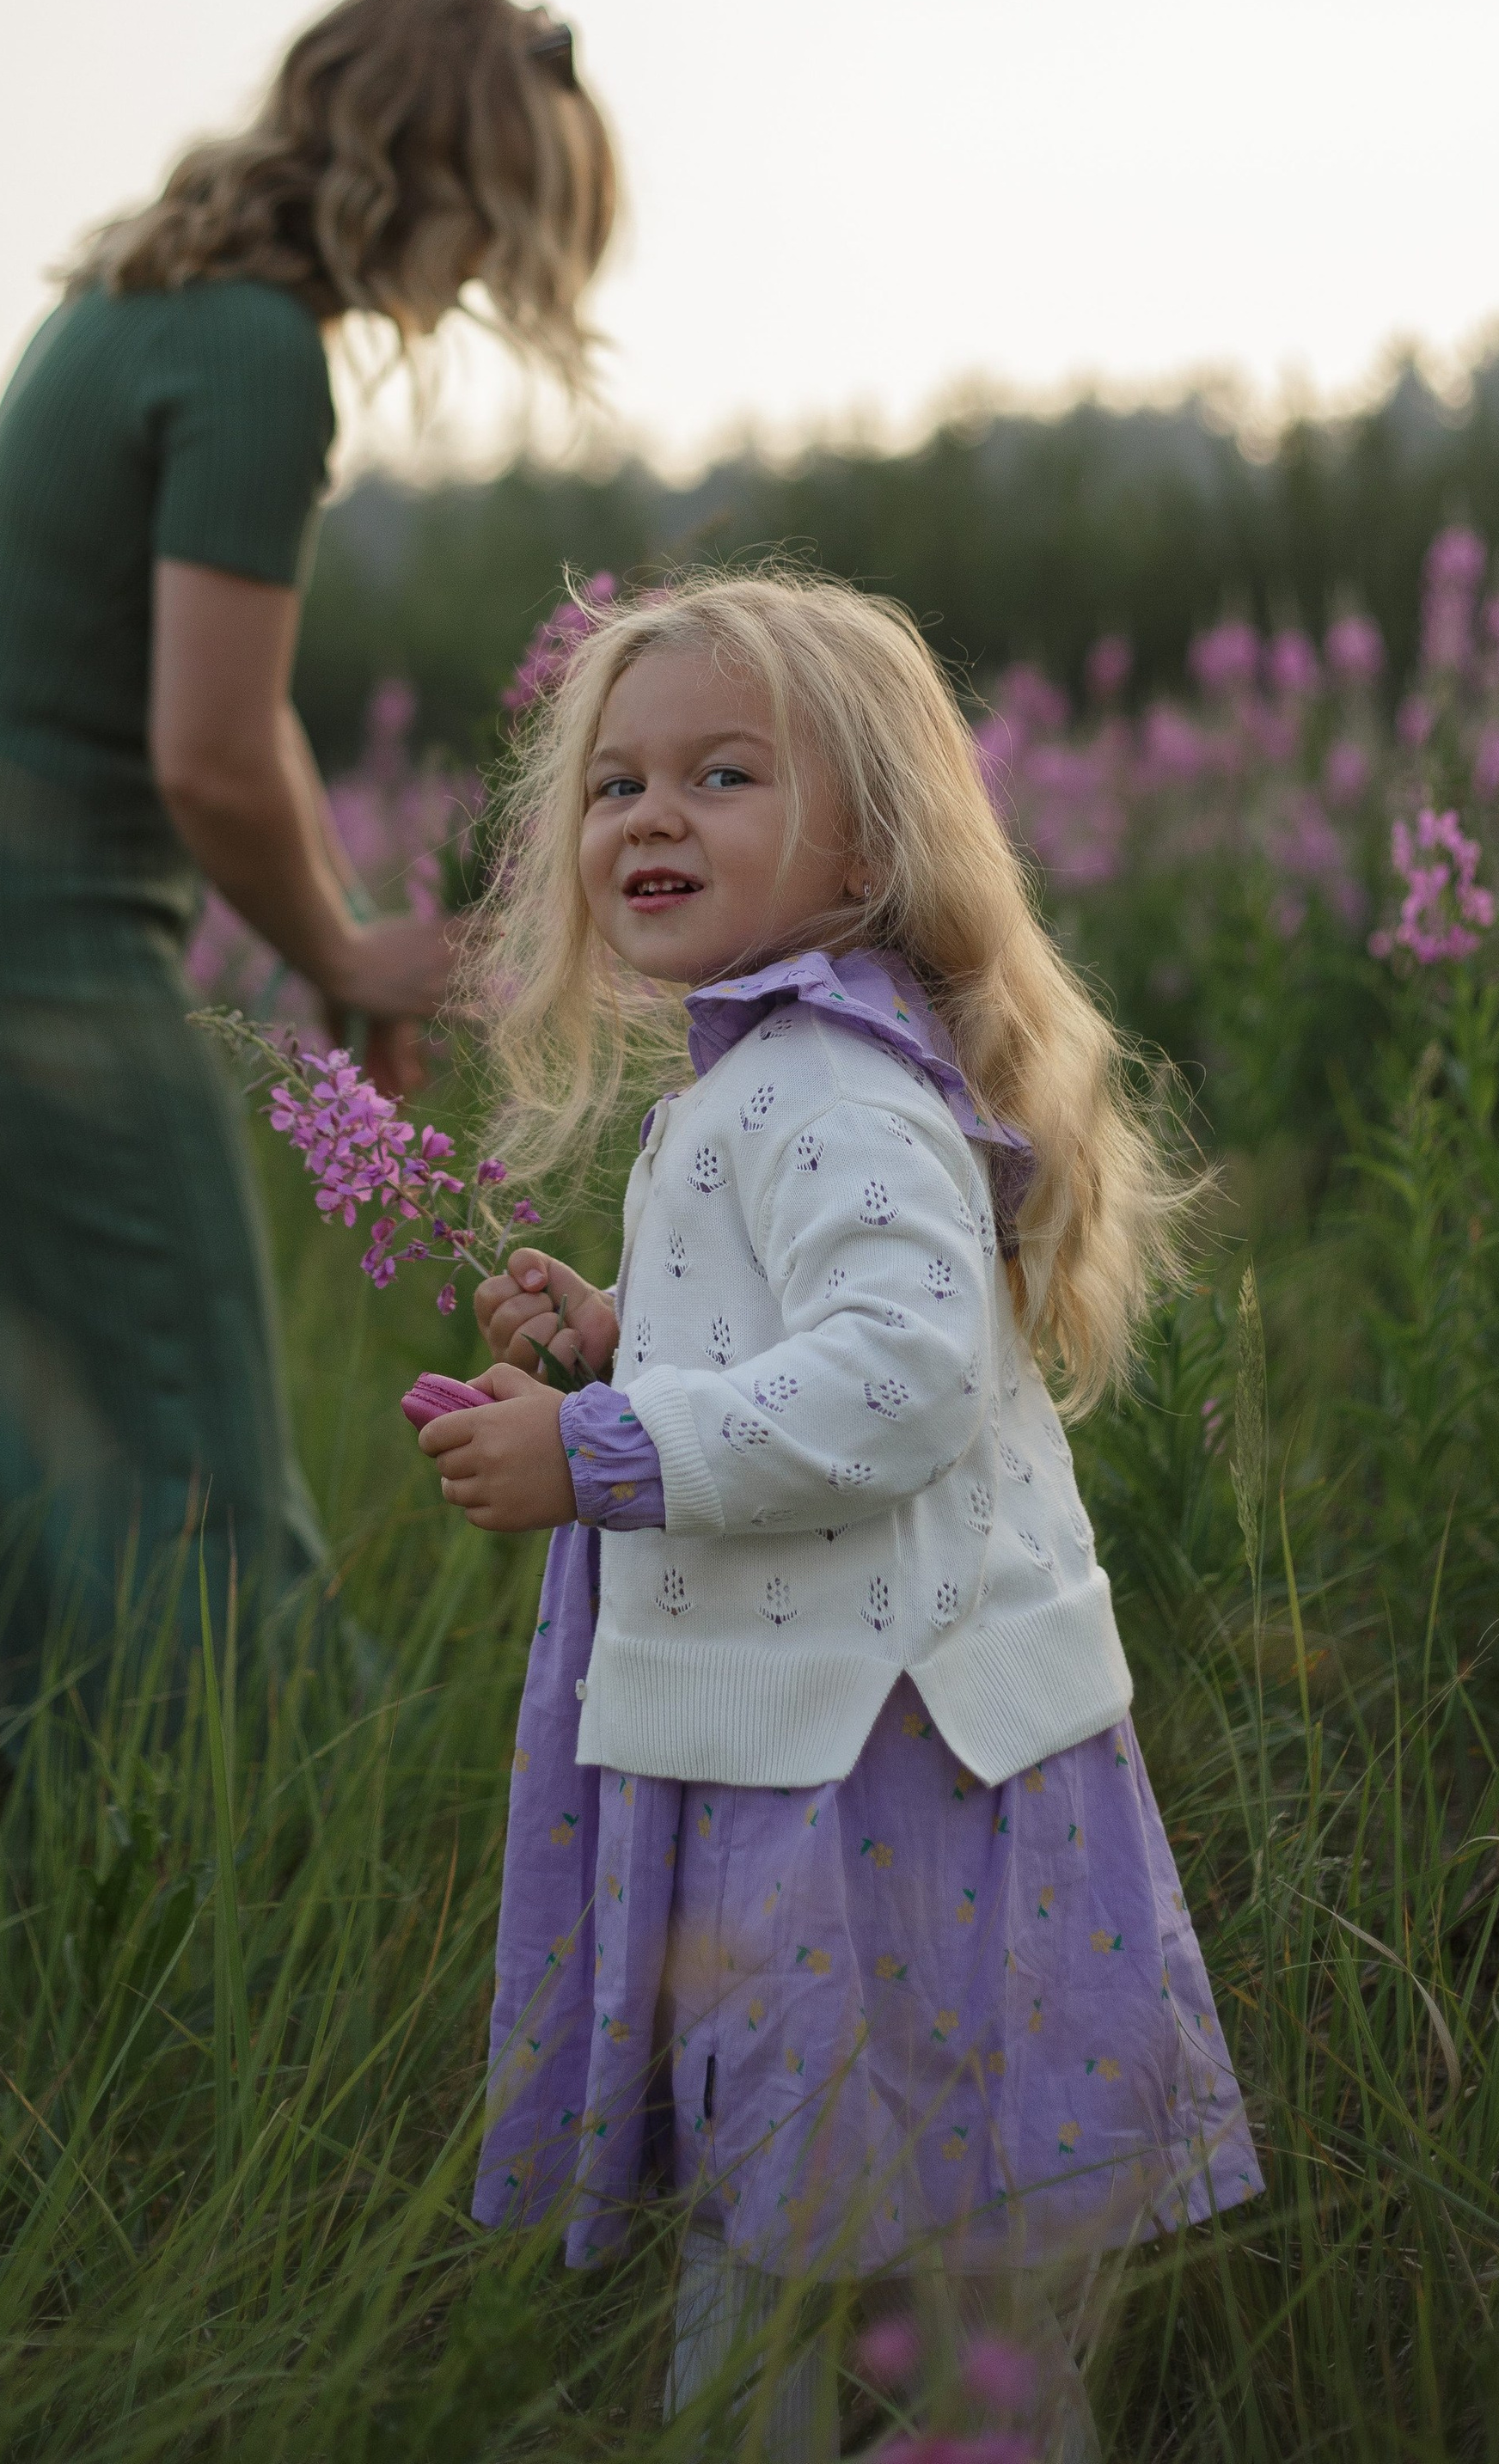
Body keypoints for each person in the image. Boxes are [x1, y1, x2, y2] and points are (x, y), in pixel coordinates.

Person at [417, 570, 1261, 2461]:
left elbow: (893, 1385)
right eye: (617, 782)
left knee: (843, 2223)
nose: (648, 816)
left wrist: (602, 1453)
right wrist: (622, 1343)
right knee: (870, 2204)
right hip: (852, 1748)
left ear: (872, 836)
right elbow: (815, 1344)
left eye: (721, 773)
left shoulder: (821, 1086)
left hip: (880, 1774)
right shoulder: (780, 1072)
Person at [0, 0, 615, 1729]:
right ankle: (285, 1820)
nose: (488, 283)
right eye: (503, 229)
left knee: (31, 1438)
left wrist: (333, 936)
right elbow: (203, 748)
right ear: (442, 178)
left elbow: (231, 714)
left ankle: (58, 1855)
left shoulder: (149, 294)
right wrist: (335, 956)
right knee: (185, 1425)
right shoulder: (257, 353)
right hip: (26, 923)